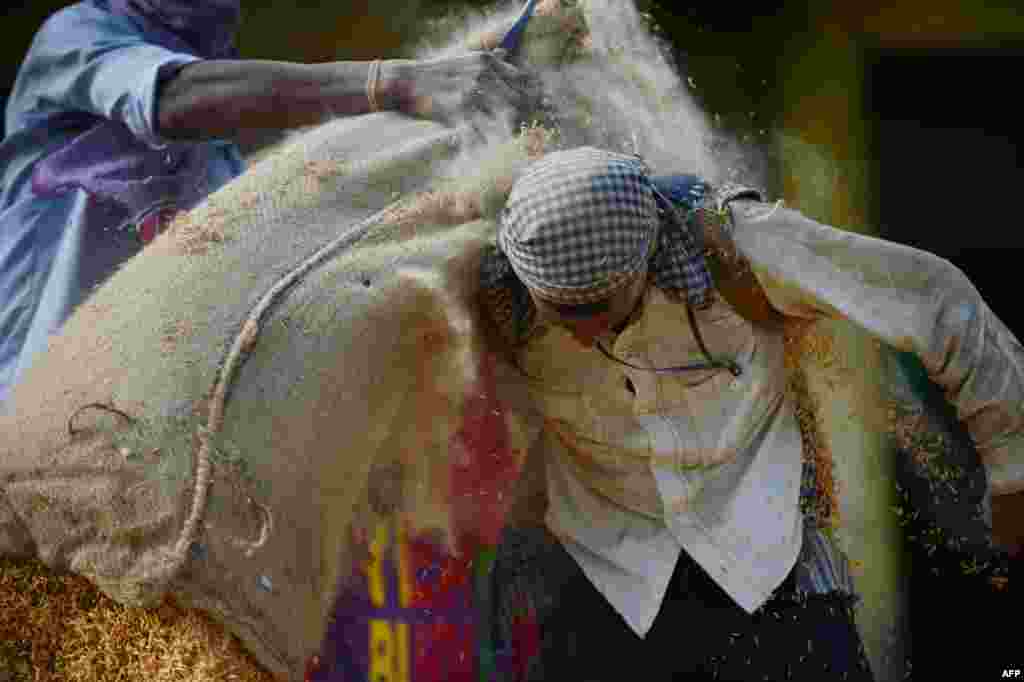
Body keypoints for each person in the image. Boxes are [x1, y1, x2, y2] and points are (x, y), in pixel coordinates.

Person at [477, 147, 1024, 681]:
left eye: (599, 308)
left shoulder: (743, 250)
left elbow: (937, 299)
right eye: (561, 312)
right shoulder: (494, 283)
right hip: (605, 589)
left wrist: (1011, 469)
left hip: (769, 575)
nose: (582, 330)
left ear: (643, 260)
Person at [0, 0, 529, 407]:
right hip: (27, 415)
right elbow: (168, 99)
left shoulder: (226, 156)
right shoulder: (79, 34)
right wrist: (395, 82)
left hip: (126, 425)